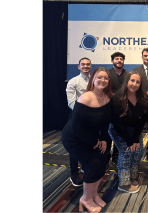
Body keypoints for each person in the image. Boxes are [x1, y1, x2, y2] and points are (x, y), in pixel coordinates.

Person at [62, 67, 113, 212]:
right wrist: (95, 142)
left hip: (92, 135)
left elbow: (105, 122)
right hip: (74, 137)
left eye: (105, 78)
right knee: (93, 164)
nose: (102, 80)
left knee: (102, 161)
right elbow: (76, 128)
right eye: (99, 77)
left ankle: (93, 194)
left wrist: (103, 139)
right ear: (93, 79)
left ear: (108, 81)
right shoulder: (85, 97)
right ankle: (85, 198)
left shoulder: (107, 97)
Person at [108, 71, 148, 193]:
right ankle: (124, 183)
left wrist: (135, 139)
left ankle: (132, 176)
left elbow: (141, 121)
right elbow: (116, 123)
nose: (135, 84)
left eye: (138, 82)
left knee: (138, 151)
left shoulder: (142, 97)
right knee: (126, 151)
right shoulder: (117, 97)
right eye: (132, 80)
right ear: (127, 81)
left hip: (134, 129)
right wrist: (130, 141)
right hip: (118, 129)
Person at [65, 57, 92, 186]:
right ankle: (74, 174)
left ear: (91, 66)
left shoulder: (95, 80)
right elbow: (71, 103)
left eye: (88, 64)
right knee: (75, 145)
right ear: (79, 67)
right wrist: (83, 114)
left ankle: (85, 166)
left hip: (92, 118)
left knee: (88, 143)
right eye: (83, 64)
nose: (86, 66)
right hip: (77, 118)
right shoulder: (73, 81)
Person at [133, 47, 148, 166]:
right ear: (142, 57)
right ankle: (136, 154)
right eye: (145, 56)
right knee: (138, 131)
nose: (147, 58)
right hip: (140, 107)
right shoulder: (136, 71)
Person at [107, 52, 129, 167]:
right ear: (112, 61)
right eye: (117, 59)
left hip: (122, 110)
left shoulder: (128, 74)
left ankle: (116, 159)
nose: (119, 61)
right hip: (108, 109)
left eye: (121, 59)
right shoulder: (107, 74)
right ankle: (106, 159)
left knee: (118, 134)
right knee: (107, 135)